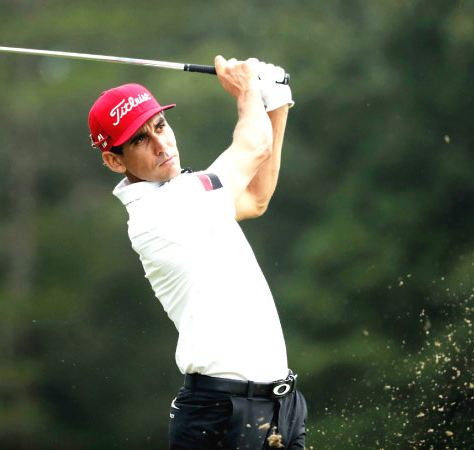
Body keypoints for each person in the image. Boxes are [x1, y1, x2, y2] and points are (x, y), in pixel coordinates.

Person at [88, 56, 307, 449]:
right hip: (222, 413)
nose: (161, 145)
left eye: (160, 126)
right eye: (140, 139)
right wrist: (247, 90)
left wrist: (276, 103)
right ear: (113, 160)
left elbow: (255, 199)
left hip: (279, 407)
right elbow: (253, 145)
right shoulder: (163, 211)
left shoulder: (190, 194)